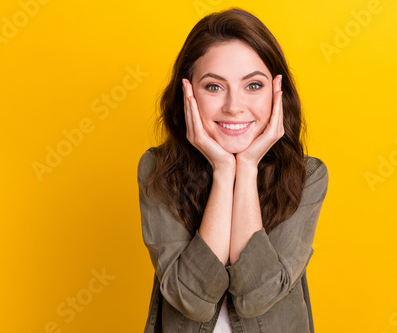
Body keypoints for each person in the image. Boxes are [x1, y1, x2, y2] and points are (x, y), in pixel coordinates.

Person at [137, 7, 328, 333]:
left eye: (253, 85)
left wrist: (249, 167)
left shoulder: (307, 176)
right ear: (188, 94)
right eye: (214, 87)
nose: (234, 106)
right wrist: (225, 170)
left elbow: (259, 295)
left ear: (276, 94)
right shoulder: (158, 170)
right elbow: (190, 299)